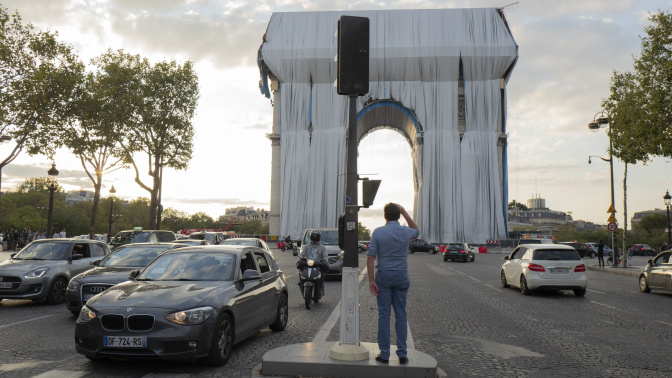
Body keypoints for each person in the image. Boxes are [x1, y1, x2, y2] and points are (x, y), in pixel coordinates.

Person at [367, 203, 419, 365]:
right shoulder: (405, 232)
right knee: (401, 314)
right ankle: (402, 354)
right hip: (401, 276)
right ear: (398, 215)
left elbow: (370, 257)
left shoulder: (378, 232)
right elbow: (416, 230)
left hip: (384, 276)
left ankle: (384, 354)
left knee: (384, 315)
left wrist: (371, 280)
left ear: (385, 216)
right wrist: (404, 211)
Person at [298, 230, 328, 297]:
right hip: (307, 265)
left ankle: (320, 289)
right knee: (301, 274)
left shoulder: (322, 247)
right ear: (311, 237)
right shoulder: (306, 246)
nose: (314, 238)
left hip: (318, 265)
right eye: (313, 237)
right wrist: (300, 259)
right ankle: (302, 286)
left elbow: (325, 256)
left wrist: (324, 261)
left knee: (322, 274)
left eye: (316, 237)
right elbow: (302, 255)